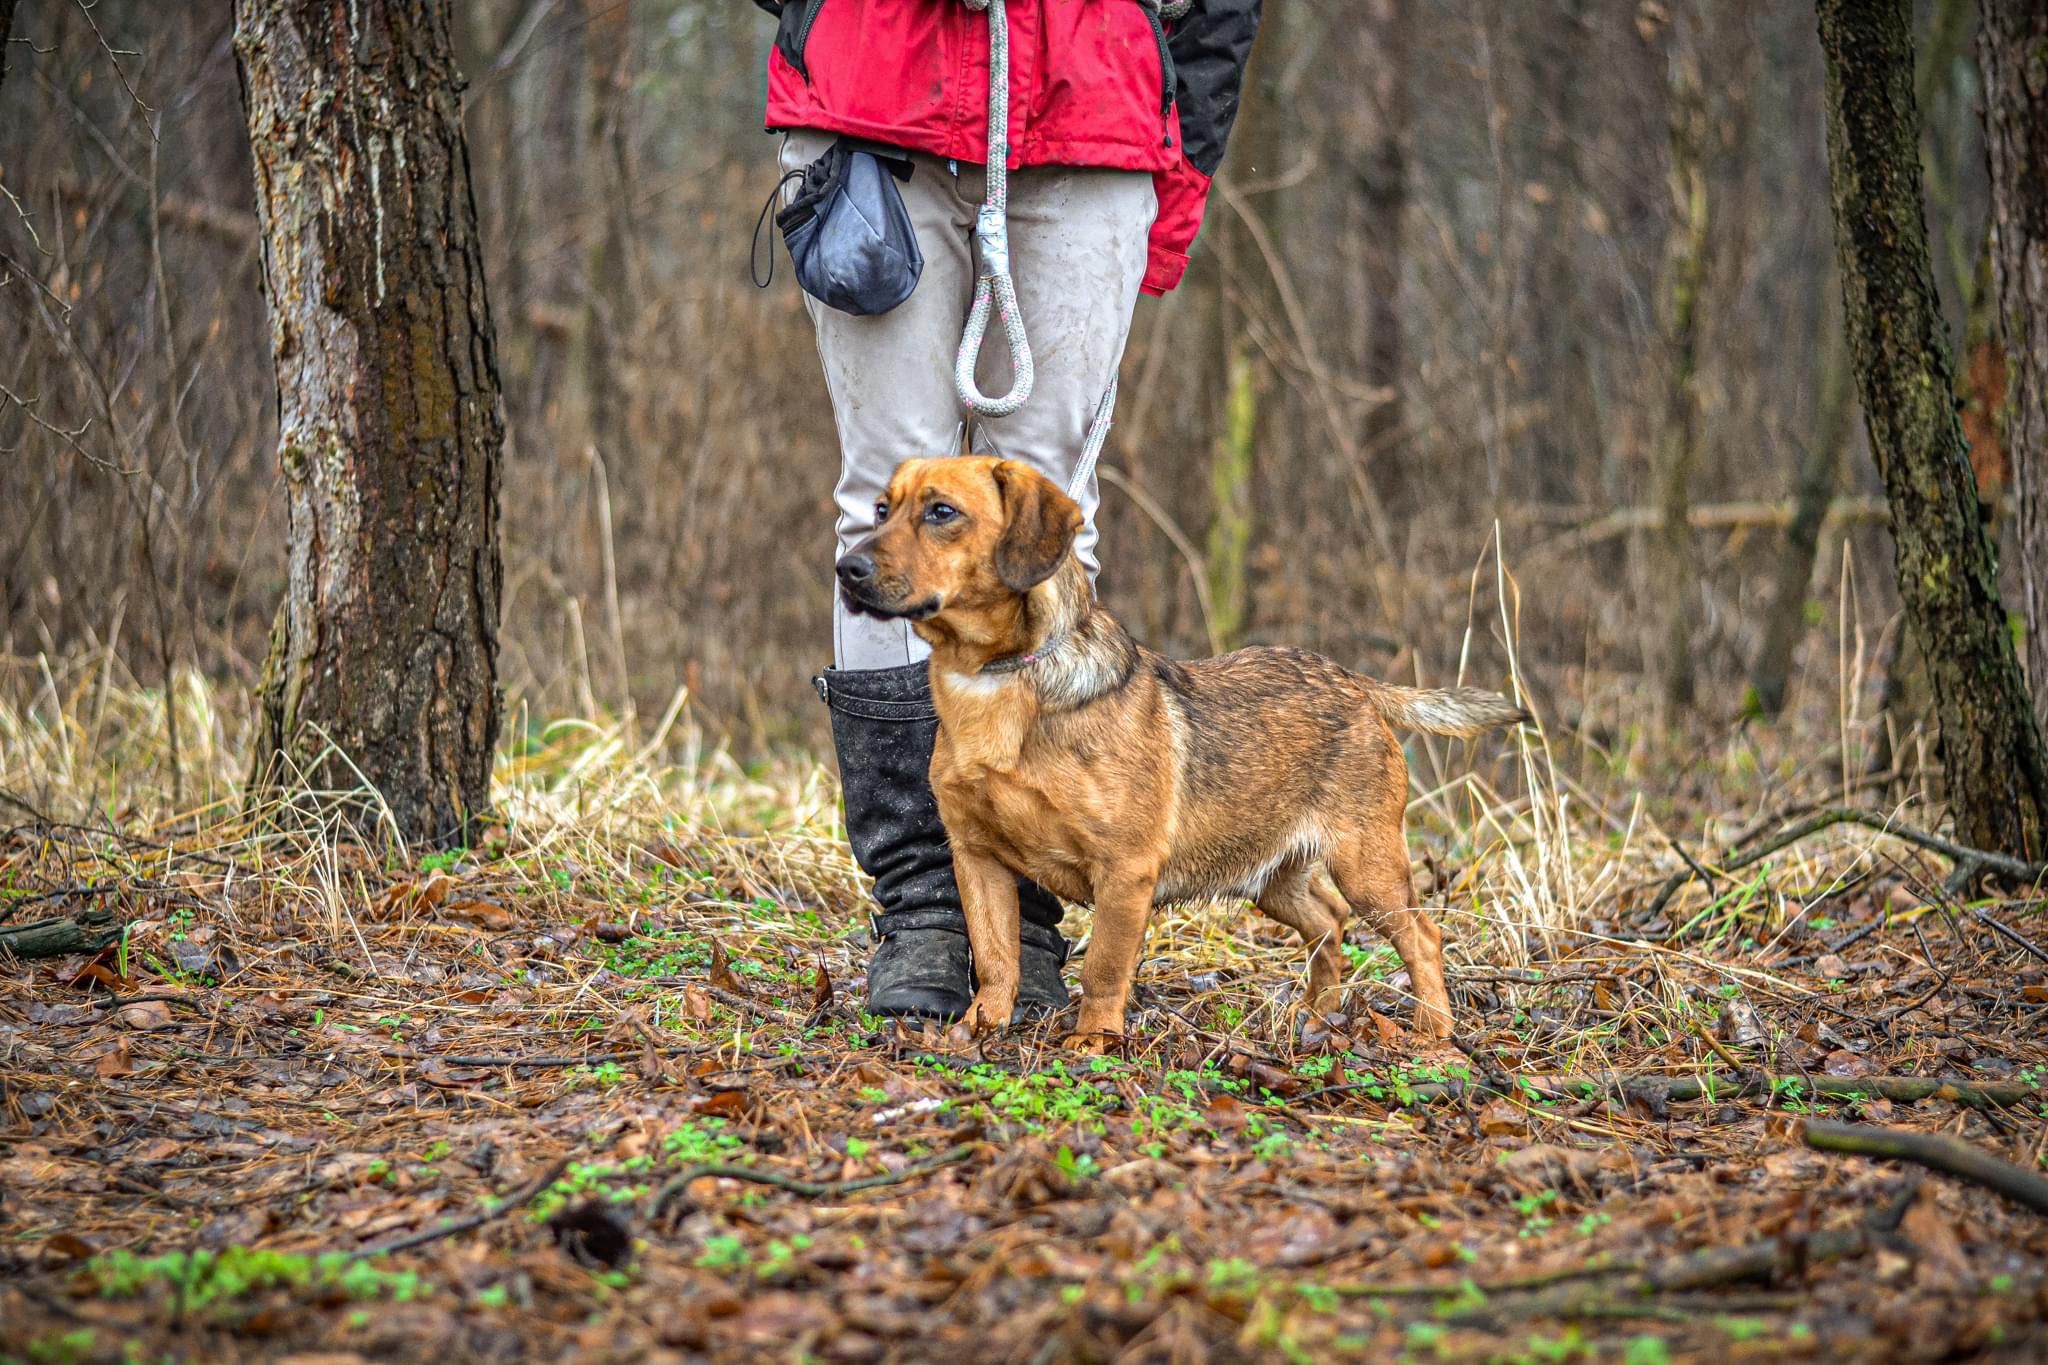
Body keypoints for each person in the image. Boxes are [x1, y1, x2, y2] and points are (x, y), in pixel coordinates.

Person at [753, 0, 1263, 1020]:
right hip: (873, 109)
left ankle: (1025, 906)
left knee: (1046, 500)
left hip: (1093, 111)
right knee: (888, 498)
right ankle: (925, 907)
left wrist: (1185, 156)